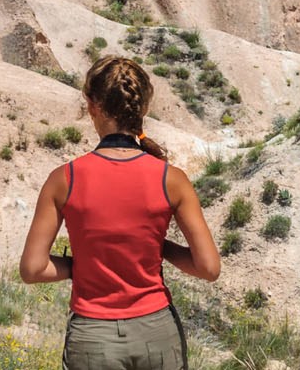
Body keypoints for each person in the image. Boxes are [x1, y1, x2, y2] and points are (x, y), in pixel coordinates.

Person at [20, 56, 221, 370]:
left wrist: (83, 265)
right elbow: (208, 268)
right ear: (143, 109)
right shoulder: (172, 179)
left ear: (91, 105)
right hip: (157, 332)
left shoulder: (64, 179)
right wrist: (158, 247)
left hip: (93, 336)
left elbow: (33, 269)